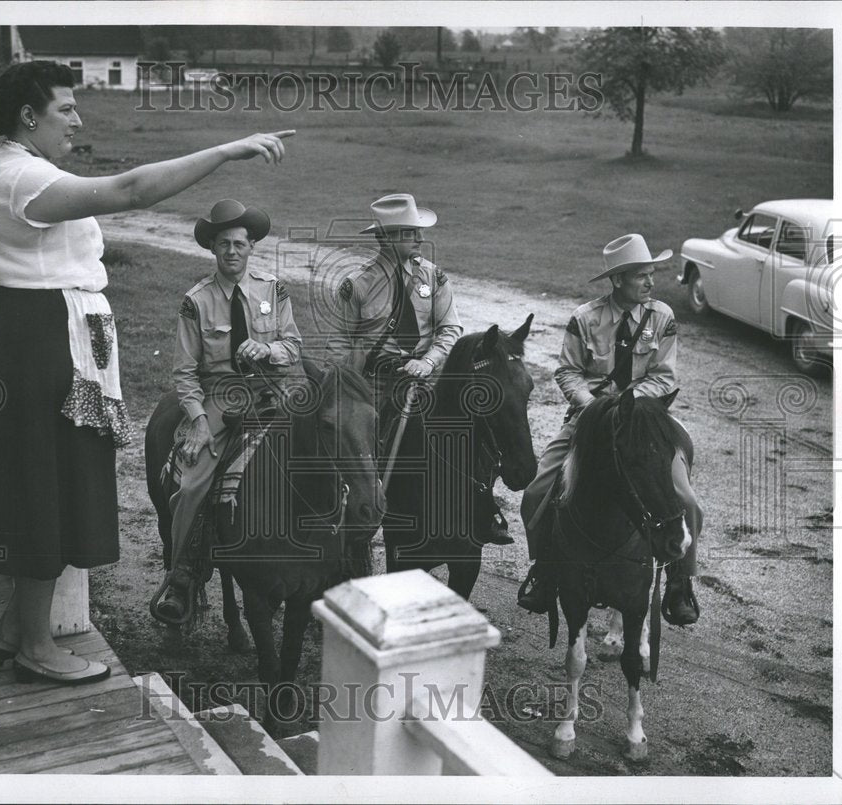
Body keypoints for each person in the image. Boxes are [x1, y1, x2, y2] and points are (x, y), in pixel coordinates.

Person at [0, 60, 293, 685]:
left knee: (55, 478)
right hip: (46, 342)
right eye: (66, 108)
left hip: (47, 336)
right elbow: (130, 192)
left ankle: (15, 626)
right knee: (47, 486)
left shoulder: (16, 169)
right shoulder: (23, 177)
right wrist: (228, 149)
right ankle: (38, 646)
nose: (78, 118)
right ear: (28, 117)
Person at [516, 234, 703, 625]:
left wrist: (628, 407)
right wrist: (594, 406)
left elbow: (665, 376)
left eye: (652, 274)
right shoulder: (585, 318)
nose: (650, 283)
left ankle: (679, 581)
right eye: (640, 276)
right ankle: (545, 569)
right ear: (617, 280)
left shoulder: (662, 318)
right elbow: (567, 371)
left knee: (686, 499)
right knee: (537, 491)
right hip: (589, 419)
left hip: (645, 420)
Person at [324, 194, 509, 545]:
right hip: (374, 385)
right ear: (387, 238)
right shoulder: (356, 285)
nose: (420, 239)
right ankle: (347, 515)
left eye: (418, 232)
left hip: (425, 380)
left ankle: (483, 511)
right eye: (410, 232)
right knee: (354, 447)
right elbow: (338, 345)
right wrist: (344, 389)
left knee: (473, 436)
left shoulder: (433, 277)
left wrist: (428, 361)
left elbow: (450, 328)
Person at [167, 199, 303, 574]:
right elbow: (184, 371)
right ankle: (182, 574)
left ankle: (330, 563)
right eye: (224, 243)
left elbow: (293, 346)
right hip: (220, 397)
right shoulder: (196, 301)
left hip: (273, 390)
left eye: (239, 244)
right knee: (193, 483)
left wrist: (267, 348)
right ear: (212, 247)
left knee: (326, 447)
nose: (231, 251)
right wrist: (197, 420)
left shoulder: (273, 290)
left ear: (251, 246)